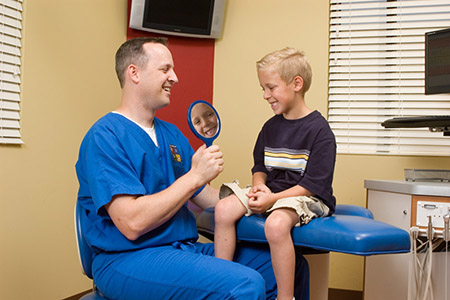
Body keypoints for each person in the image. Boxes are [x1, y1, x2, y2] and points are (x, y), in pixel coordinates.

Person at [75, 37, 310, 300]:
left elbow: (205, 196)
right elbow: (132, 222)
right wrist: (195, 175)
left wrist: (252, 198)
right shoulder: (105, 136)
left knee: (288, 267)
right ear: (134, 73)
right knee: (244, 284)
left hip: (182, 249)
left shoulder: (171, 135)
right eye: (165, 69)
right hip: (127, 258)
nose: (174, 77)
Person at [214, 47, 336, 300]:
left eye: (271, 87)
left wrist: (273, 200)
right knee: (223, 209)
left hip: (307, 195)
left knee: (277, 224)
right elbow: (260, 167)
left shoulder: (320, 131)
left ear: (296, 84)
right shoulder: (270, 127)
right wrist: (260, 187)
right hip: (275, 191)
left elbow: (313, 185)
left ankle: (285, 297)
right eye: (263, 89)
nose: (265, 95)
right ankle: (221, 282)